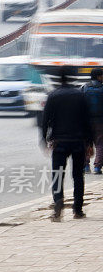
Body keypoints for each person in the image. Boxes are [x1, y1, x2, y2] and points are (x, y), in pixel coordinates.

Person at [41, 66, 94, 221]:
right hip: (78, 142)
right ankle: (77, 210)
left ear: (58, 79)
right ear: (73, 78)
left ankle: (58, 204)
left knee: (58, 174)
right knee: (78, 175)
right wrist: (90, 143)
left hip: (59, 142)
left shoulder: (52, 96)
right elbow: (87, 121)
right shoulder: (80, 95)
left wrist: (44, 139)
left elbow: (45, 121)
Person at [82, 68, 103, 173]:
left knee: (86, 143)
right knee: (100, 144)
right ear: (99, 76)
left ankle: (85, 166)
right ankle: (97, 167)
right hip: (100, 122)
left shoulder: (84, 88)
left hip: (86, 122)